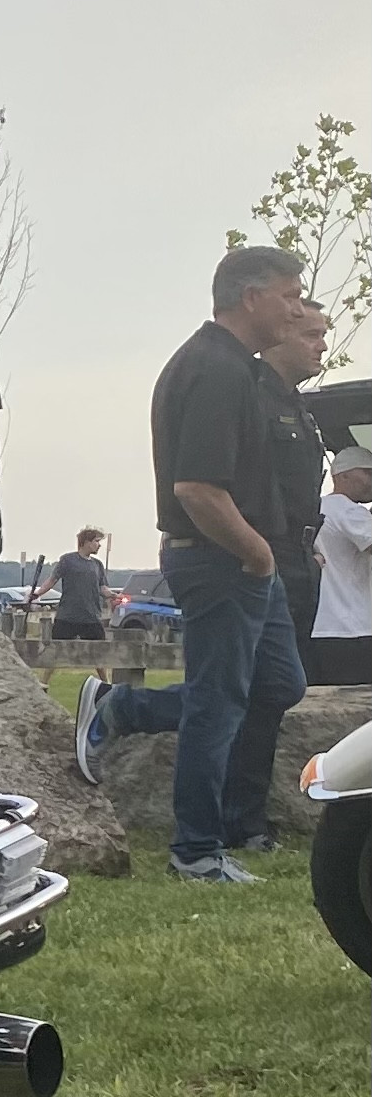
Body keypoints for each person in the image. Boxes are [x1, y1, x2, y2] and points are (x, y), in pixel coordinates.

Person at [71, 245, 308, 883]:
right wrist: (257, 554)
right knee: (219, 704)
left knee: (278, 686)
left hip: (246, 564)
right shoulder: (216, 369)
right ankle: (197, 853)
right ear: (251, 296)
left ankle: (125, 710)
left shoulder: (234, 366)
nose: (297, 307)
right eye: (289, 294)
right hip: (222, 561)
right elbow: (196, 489)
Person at [220, 299, 332, 846]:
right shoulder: (254, 393)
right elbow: (243, 486)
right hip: (262, 553)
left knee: (280, 687)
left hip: (297, 554)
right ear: (282, 332)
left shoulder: (297, 405)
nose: (321, 345)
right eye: (312, 333)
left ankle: (246, 817)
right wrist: (260, 550)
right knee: (258, 689)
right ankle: (241, 820)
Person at [312, 446, 372, 686]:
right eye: (367, 473)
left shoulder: (316, 508)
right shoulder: (349, 511)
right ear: (343, 475)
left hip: (319, 627)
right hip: (353, 627)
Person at [34, 528, 111, 639]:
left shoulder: (97, 564)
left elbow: (103, 588)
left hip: (91, 617)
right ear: (86, 542)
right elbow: (52, 580)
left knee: (98, 650)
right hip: (67, 616)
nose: (99, 545)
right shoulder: (67, 560)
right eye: (96, 541)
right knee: (58, 648)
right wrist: (38, 593)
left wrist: (114, 595)